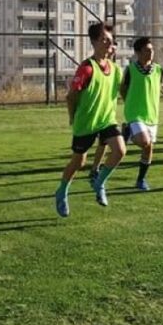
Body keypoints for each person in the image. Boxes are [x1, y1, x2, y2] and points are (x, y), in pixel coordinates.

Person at [54, 22, 126, 217]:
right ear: (93, 42)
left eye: (110, 40)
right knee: (78, 163)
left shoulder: (116, 69)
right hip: (86, 123)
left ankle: (99, 183)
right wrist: (72, 117)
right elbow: (71, 97)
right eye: (104, 40)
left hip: (107, 121)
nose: (109, 43)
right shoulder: (86, 68)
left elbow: (121, 92)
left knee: (120, 150)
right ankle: (62, 191)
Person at [119, 36, 163, 189]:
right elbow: (123, 89)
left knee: (148, 148)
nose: (150, 53)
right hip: (134, 114)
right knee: (144, 141)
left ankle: (140, 180)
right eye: (147, 50)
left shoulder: (159, 70)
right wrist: (130, 103)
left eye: (152, 50)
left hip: (152, 115)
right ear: (137, 52)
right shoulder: (130, 69)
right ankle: (129, 130)